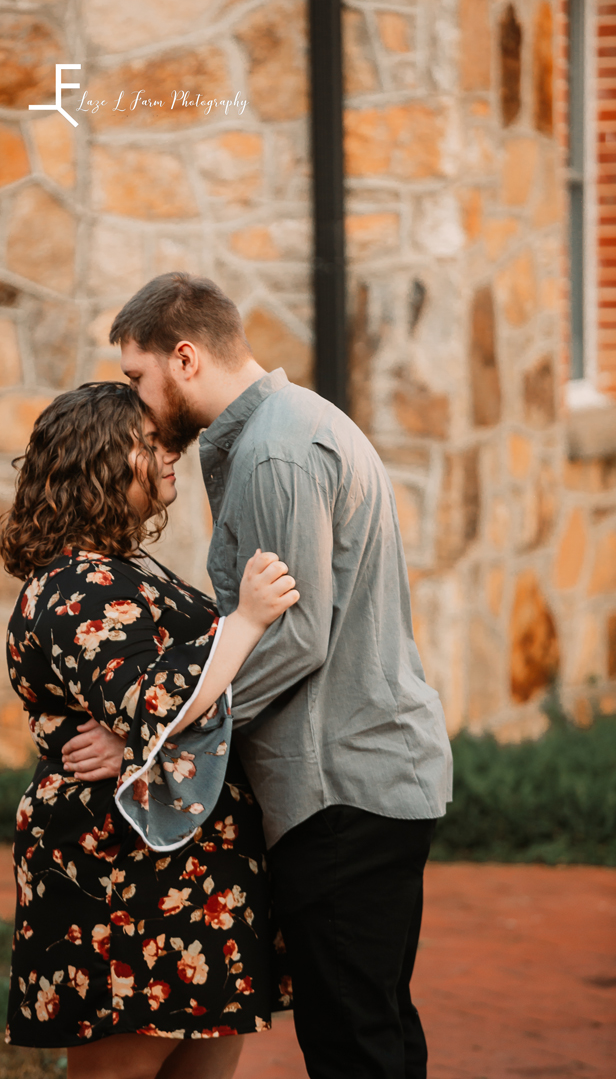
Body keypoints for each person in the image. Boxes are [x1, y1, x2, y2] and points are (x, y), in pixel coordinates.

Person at [62, 274, 454, 1079]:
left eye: (138, 376)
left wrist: (155, 732)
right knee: (367, 1027)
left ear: (184, 356)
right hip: (345, 783)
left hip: (341, 785)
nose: (136, 399)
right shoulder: (266, 434)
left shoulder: (277, 450)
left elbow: (295, 637)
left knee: (355, 1041)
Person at [0, 382, 298, 1079]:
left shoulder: (123, 569)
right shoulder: (76, 584)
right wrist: (246, 621)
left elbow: (159, 709)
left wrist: (139, 736)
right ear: (97, 461)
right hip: (121, 871)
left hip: (191, 871)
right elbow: (148, 698)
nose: (169, 456)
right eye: (147, 443)